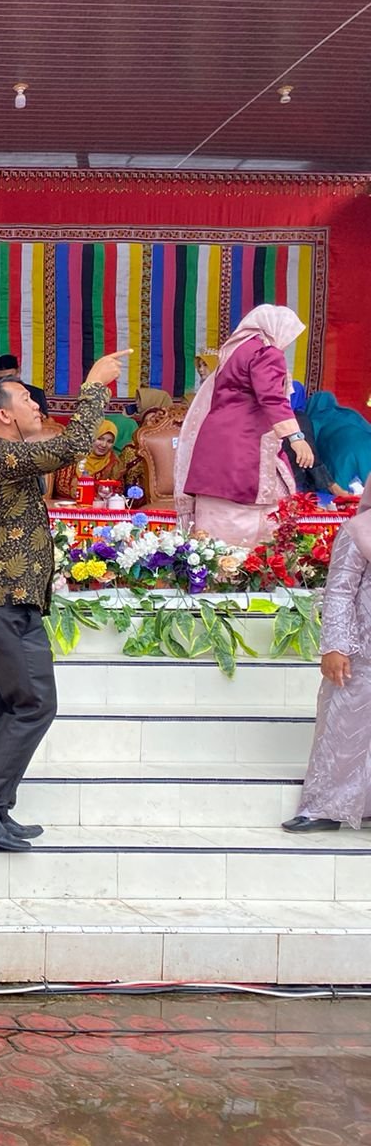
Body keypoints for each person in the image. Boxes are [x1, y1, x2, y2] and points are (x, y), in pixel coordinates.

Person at [0, 350, 125, 851]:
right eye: (25, 399)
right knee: (35, 703)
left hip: (4, 599)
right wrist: (93, 384)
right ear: (4, 415)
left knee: (4, 705)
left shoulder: (9, 458)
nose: (35, 405)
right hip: (3, 599)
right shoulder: (1, 455)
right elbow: (73, 444)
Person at [175, 305, 310, 548]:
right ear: (276, 329)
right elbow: (272, 398)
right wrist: (296, 437)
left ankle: (210, 564)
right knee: (263, 518)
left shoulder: (236, 350)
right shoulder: (266, 353)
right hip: (246, 443)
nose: (287, 343)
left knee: (213, 531)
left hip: (214, 444)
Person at [283, 496, 371, 834]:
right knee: (344, 729)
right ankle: (324, 808)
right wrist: (335, 646)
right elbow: (339, 591)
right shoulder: (359, 530)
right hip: (361, 653)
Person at [305, 389, 371, 495]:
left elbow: (311, 443)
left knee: (342, 486)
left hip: (342, 454)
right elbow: (366, 427)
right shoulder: (349, 413)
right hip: (366, 445)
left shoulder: (313, 418)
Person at [53, 419, 127, 501]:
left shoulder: (114, 462)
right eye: (100, 439)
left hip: (99, 506)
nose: (104, 445)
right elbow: (61, 487)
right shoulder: (73, 456)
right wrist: (87, 494)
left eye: (109, 441)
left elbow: (118, 490)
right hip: (65, 504)